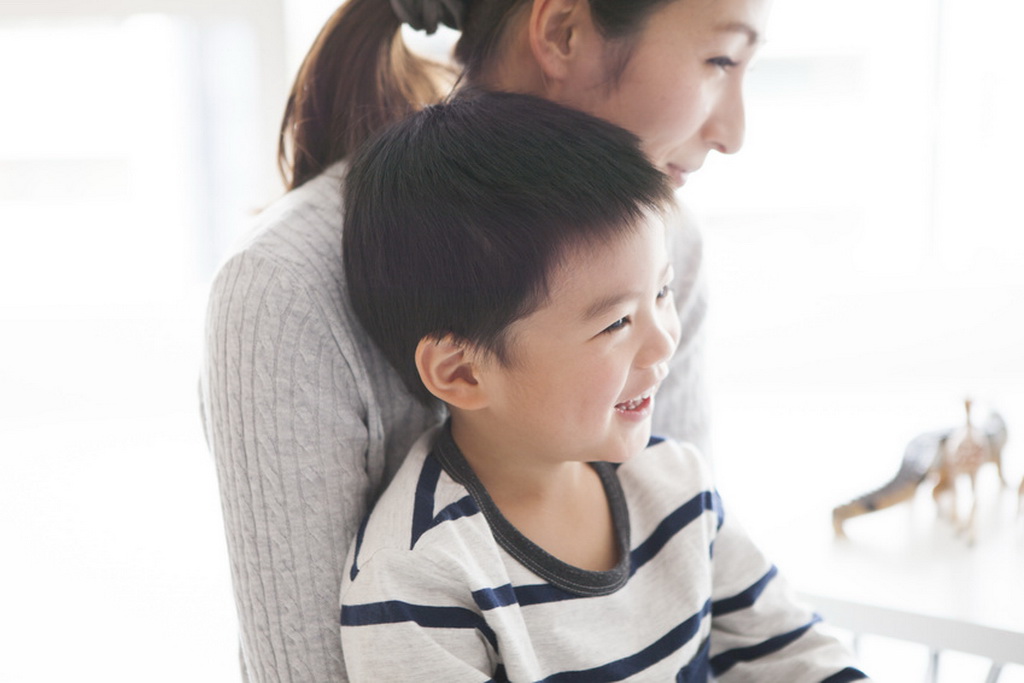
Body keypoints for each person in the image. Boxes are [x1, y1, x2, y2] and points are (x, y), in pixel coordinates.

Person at [201, 0, 771, 680]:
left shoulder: (669, 239)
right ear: (562, 30)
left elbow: (703, 600)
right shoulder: (286, 287)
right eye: (720, 61)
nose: (735, 132)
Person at [339, 90, 866, 681]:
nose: (665, 341)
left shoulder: (676, 488)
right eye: (616, 322)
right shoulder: (419, 577)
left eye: (661, 293)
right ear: (462, 372)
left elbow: (797, 657)